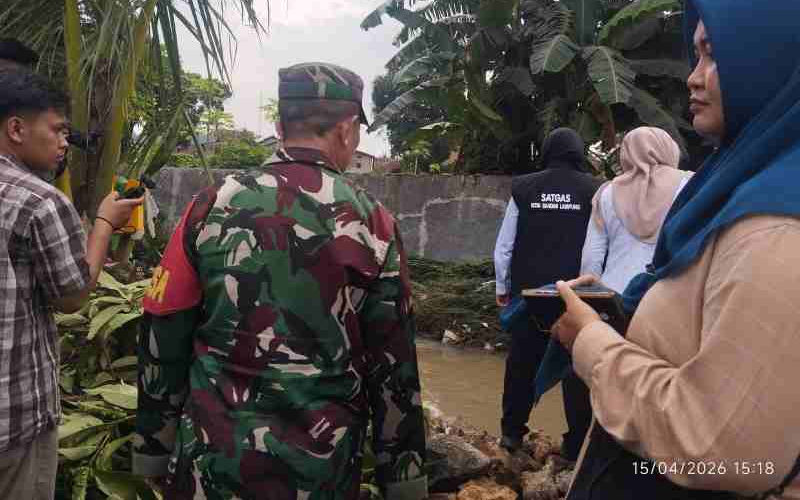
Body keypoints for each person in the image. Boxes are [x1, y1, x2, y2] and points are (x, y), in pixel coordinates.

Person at [552, 0, 800, 499]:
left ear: (775, 57)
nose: (692, 75)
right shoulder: (716, 190)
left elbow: (729, 451)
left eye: (713, 53)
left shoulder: (776, 227)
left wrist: (593, 342)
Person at [133, 62, 428, 499]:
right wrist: (403, 480)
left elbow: (163, 327)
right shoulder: (373, 222)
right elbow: (393, 363)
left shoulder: (210, 205)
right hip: (320, 472)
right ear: (347, 131)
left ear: (279, 125)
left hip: (212, 466)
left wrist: (153, 449)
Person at [0, 67, 142, 499]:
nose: (65, 142)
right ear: (17, 128)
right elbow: (73, 296)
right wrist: (103, 223)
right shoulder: (39, 200)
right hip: (12, 419)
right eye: (57, 130)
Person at [494, 127, 601, 458]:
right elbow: (598, 246)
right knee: (577, 365)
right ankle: (577, 443)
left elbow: (505, 244)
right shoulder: (596, 190)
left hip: (529, 296)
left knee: (522, 361)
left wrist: (502, 287)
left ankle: (512, 434)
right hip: (577, 297)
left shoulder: (523, 188)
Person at [580, 126, 692, 294]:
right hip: (668, 296)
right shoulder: (690, 184)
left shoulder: (606, 193)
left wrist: (590, 296)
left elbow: (592, 256)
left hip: (615, 293)